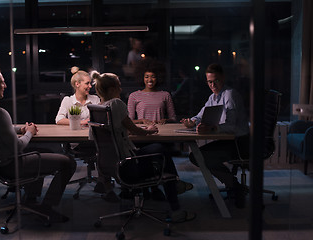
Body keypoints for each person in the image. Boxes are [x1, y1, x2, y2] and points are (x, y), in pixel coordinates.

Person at [91, 70, 195, 222]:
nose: (121, 89)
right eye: (119, 86)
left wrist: (122, 132)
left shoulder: (96, 109)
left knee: (158, 149)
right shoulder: (116, 103)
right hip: (127, 165)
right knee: (161, 154)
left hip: (110, 165)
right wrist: (149, 131)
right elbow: (135, 129)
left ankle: (175, 185)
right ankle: (176, 206)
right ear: (112, 89)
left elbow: (101, 134)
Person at [0, 67, 76, 222]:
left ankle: (30, 200)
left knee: (40, 150)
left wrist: (20, 129)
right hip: (10, 165)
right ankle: (47, 208)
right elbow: (18, 146)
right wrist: (29, 132)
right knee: (68, 163)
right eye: (2, 83)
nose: (5, 86)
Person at [181, 63, 249, 208]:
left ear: (223, 78)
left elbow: (232, 126)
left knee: (199, 156)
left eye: (216, 80)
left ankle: (235, 186)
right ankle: (234, 184)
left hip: (240, 142)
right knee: (197, 156)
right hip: (229, 141)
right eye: (209, 82)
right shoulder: (214, 96)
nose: (213, 85)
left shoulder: (229, 95)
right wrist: (191, 122)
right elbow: (200, 115)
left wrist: (211, 129)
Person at [128, 58, 176, 125]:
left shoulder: (165, 95)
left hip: (162, 131)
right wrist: (142, 121)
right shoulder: (134, 96)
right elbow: (129, 121)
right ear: (142, 78)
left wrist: (166, 120)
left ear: (158, 77)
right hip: (142, 132)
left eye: (153, 77)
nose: (150, 80)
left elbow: (173, 118)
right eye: (147, 77)